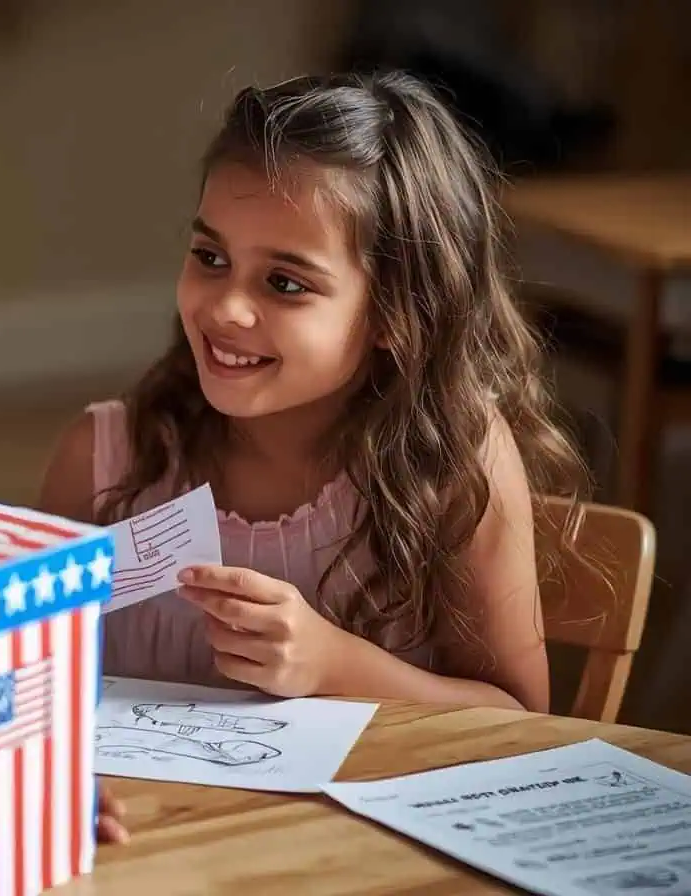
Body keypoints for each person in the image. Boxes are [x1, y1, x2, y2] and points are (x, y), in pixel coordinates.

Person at [42, 68, 593, 757]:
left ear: (397, 313)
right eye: (210, 256)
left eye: (284, 282)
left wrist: (338, 666)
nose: (223, 308)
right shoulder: (101, 463)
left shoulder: (454, 466)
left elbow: (524, 723)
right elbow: (20, 687)